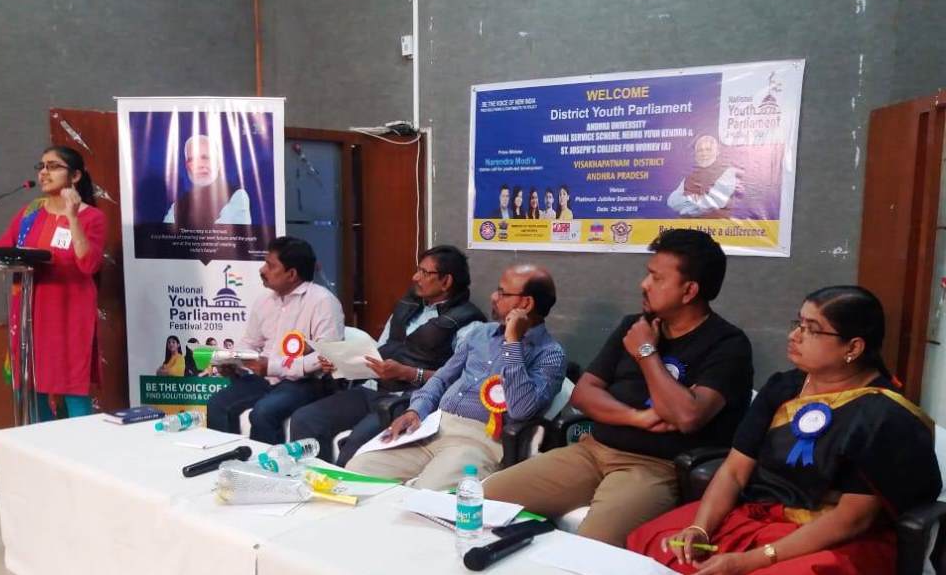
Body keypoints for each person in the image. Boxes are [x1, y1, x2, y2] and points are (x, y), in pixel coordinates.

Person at [607, 285, 942, 575]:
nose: (794, 335)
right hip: (759, 515)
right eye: (797, 323)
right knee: (656, 546)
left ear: (853, 348)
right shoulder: (782, 388)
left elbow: (853, 518)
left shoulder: (884, 415)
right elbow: (733, 472)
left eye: (812, 329)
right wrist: (699, 528)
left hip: (834, 535)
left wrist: (751, 561)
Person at [483, 230, 753, 546]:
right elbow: (584, 393)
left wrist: (646, 353)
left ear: (689, 290)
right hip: (591, 450)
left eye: (656, 278)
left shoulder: (727, 344)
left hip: (653, 467)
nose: (644, 284)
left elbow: (687, 415)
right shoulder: (633, 325)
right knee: (484, 499)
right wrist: (636, 418)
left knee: (593, 545)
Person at [345, 264, 566, 489]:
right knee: (358, 471)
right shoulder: (480, 333)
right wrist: (415, 410)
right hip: (432, 428)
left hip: (479, 441)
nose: (493, 297)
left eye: (502, 293)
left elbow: (521, 410)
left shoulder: (550, 355)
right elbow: (442, 378)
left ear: (526, 304)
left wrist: (512, 342)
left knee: (428, 493)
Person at [289, 245, 485, 464]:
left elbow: (460, 380)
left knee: (356, 446)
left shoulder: (469, 324)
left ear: (446, 281)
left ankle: (340, 484)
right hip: (372, 388)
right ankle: (314, 479)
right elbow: (378, 352)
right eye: (418, 270)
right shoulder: (407, 306)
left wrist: (408, 373)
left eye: (424, 272)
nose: (415, 277)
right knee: (305, 419)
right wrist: (341, 363)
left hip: (409, 400)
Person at [0, 145, 106, 421]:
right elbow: (2, 249)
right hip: (30, 312)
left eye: (53, 166)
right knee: (31, 388)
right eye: (41, 166)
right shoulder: (30, 213)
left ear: (75, 176)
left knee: (72, 388)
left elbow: (89, 264)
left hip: (69, 314)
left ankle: (80, 446)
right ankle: (40, 443)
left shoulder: (92, 217)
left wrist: (72, 216)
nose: (44, 172)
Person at [205, 236, 344, 443]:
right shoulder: (264, 300)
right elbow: (250, 342)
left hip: (306, 383)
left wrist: (273, 366)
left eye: (270, 266)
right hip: (265, 379)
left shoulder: (323, 301)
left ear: (291, 274)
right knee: (217, 404)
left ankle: (268, 464)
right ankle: (226, 459)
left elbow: (326, 356)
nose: (262, 270)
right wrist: (234, 362)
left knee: (263, 413)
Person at [163, 134, 251, 227]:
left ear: (218, 162)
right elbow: (165, 233)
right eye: (192, 159)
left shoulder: (238, 196)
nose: (199, 165)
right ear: (187, 166)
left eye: (205, 157)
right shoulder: (178, 206)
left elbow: (224, 233)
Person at [667, 134, 742, 218]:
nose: (704, 153)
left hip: (715, 224)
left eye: (708, 149)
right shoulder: (689, 177)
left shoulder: (728, 172)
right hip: (689, 225)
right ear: (696, 154)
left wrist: (685, 207)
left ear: (717, 152)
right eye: (700, 150)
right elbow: (672, 201)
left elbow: (716, 202)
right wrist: (696, 200)